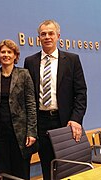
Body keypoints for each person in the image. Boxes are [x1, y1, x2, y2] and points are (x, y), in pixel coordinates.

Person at [24, 20, 87, 180]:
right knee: (47, 167)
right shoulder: (30, 62)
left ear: (58, 36)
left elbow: (81, 93)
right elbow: (28, 95)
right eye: (43, 34)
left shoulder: (72, 60)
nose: (47, 37)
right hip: (41, 122)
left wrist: (76, 119)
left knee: (68, 167)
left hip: (65, 122)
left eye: (51, 33)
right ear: (39, 38)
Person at [0, 39, 37, 180]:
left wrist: (31, 132)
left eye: (9, 52)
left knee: (21, 172)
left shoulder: (24, 74)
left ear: (15, 55)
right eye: (3, 52)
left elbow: (31, 104)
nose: (6, 55)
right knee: (3, 172)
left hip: (20, 134)